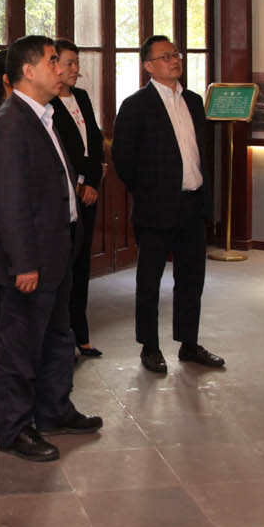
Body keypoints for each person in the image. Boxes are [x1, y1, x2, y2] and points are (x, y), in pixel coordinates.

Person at [0, 35, 102, 462]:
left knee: (56, 337)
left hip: (58, 246)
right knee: (20, 347)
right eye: (52, 61)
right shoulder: (9, 121)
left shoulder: (45, 114)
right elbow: (8, 202)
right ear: (28, 71)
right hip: (31, 257)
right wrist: (23, 263)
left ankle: (53, 410)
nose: (61, 68)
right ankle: (15, 429)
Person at [112, 35, 223, 375]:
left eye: (176, 54)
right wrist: (150, 191)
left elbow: (198, 151)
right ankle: (150, 346)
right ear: (148, 66)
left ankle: (189, 343)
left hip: (193, 203)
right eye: (165, 56)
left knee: (191, 279)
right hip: (156, 207)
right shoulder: (136, 105)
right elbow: (123, 160)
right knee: (150, 280)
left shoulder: (193, 101)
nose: (175, 60)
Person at [51, 40, 104, 359]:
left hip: (88, 193)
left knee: (82, 266)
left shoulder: (81, 97)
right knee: (63, 269)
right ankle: (61, 338)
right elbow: (64, 153)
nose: (75, 69)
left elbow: (95, 143)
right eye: (69, 63)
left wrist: (93, 182)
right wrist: (81, 180)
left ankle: (80, 334)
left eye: (77, 62)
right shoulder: (47, 103)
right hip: (65, 194)